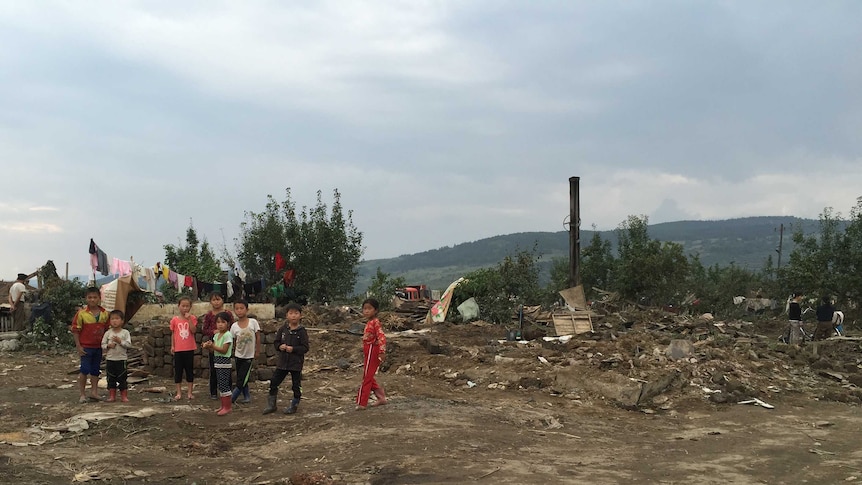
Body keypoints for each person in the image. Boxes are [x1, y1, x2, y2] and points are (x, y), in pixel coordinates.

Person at [263, 302, 309, 415]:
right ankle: (271, 405)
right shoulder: (283, 329)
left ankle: (294, 405)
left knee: (296, 385)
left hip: (296, 363)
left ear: (300, 315)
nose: (293, 316)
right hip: (283, 362)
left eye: (296, 313)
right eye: (291, 313)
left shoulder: (302, 331)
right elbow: (276, 342)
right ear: (286, 315)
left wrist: (293, 349)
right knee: (274, 382)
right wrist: (280, 346)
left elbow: (305, 348)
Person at [71, 287, 110, 403]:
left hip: (98, 347)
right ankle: (82, 394)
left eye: (95, 297)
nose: (92, 300)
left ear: (99, 298)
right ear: (86, 299)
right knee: (84, 370)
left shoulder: (105, 314)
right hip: (86, 347)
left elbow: (108, 331)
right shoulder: (81, 314)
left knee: (95, 370)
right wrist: (78, 346)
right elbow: (75, 330)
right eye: (90, 297)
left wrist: (106, 346)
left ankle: (94, 392)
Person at [355, 298, 388, 410]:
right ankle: (381, 397)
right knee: (368, 375)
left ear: (376, 310)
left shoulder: (375, 322)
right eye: (364, 309)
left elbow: (381, 337)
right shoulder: (369, 322)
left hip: (372, 351)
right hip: (367, 350)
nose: (366, 311)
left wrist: (382, 351)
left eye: (369, 308)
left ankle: (362, 402)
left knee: (367, 377)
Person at [230, 300, 261, 404]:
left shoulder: (253, 322)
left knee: (241, 379)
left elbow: (258, 337)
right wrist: (233, 351)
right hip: (239, 356)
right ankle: (247, 397)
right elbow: (233, 340)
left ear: (247, 310)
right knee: (242, 377)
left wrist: (257, 350)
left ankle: (231, 399)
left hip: (249, 356)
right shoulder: (234, 326)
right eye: (237, 309)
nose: (239, 311)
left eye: (241, 308)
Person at [203, 311, 234, 416]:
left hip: (224, 362)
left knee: (225, 384)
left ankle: (227, 407)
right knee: (221, 384)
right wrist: (208, 347)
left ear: (228, 324)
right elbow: (214, 351)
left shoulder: (228, 335)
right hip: (217, 362)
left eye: (223, 322)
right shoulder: (216, 336)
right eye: (218, 322)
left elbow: (224, 350)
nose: (220, 324)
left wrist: (212, 346)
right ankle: (223, 405)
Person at [201, 293, 230, 400]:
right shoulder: (209, 315)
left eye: (218, 299)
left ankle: (227, 391)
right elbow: (204, 329)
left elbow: (231, 326)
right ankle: (213, 392)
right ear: (210, 302)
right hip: (213, 343)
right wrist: (213, 331)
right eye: (214, 300)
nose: (216, 302)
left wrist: (224, 331)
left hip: (225, 342)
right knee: (213, 368)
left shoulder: (227, 313)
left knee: (226, 368)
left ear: (222, 300)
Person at [170, 296, 198, 401]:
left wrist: (189, 319)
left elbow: (193, 330)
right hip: (178, 349)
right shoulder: (174, 320)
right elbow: (173, 334)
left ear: (190, 307)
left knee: (189, 370)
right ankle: (179, 392)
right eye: (183, 306)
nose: (185, 308)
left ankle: (190, 392)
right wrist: (172, 346)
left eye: (187, 306)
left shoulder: (193, 318)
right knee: (178, 371)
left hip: (189, 348)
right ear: (179, 306)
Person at [101, 309, 132, 402]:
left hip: (121, 359)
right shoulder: (108, 333)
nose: (114, 321)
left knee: (122, 378)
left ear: (122, 321)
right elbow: (102, 344)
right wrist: (108, 346)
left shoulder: (125, 333)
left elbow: (129, 345)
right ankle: (112, 396)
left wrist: (120, 341)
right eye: (112, 319)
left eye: (117, 318)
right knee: (111, 378)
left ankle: (124, 396)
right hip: (110, 359)